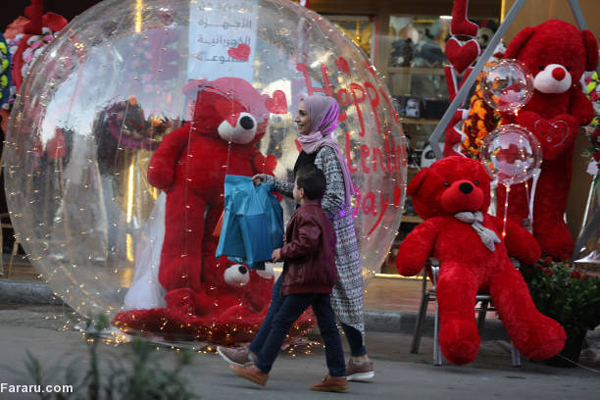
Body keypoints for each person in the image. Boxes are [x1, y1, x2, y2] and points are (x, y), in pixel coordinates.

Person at [217, 95, 374, 381]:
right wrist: (273, 182)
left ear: (318, 116)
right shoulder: (313, 147)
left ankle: (259, 360)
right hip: (318, 236)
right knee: (319, 302)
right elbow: (306, 190)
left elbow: (335, 199)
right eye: (297, 113)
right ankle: (351, 363)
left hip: (325, 240)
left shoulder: (326, 151)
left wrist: (309, 221)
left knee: (330, 299)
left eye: (303, 113)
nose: (297, 118)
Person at [229, 165, 347, 392]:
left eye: (294, 186)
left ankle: (260, 369)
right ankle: (338, 374)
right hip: (321, 278)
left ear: (301, 192)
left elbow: (307, 242)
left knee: (281, 321)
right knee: (328, 326)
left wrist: (282, 252)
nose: (292, 189)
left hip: (305, 279)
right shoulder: (320, 214)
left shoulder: (306, 214)